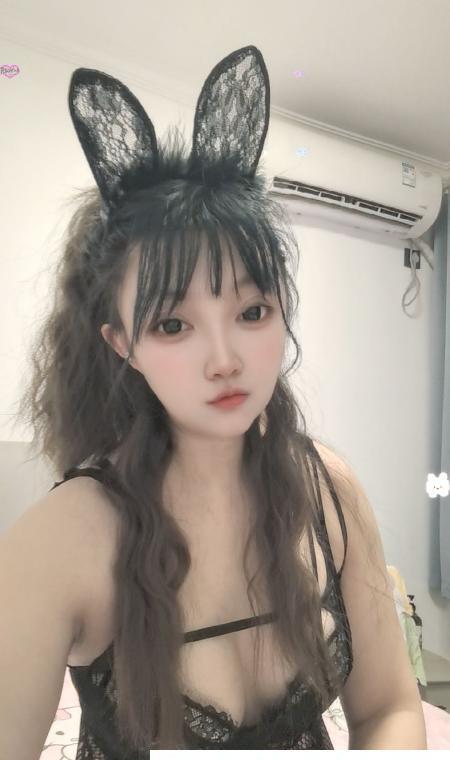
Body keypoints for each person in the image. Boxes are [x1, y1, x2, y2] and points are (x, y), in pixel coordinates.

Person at [1, 45, 426, 756]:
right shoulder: (62, 539)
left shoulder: (329, 493)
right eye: (173, 325)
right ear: (121, 343)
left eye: (252, 312)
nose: (225, 358)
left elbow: (388, 707)